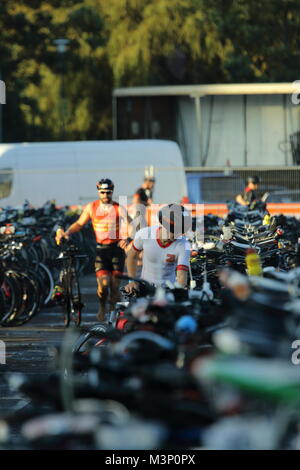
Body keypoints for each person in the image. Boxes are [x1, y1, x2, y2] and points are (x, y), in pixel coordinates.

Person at [55, 178, 133, 321]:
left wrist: (128, 237)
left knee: (115, 287)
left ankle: (112, 314)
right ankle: (102, 306)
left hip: (116, 251)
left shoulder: (118, 208)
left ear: (112, 192)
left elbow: (130, 223)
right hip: (101, 251)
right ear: (98, 192)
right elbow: (79, 223)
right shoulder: (91, 207)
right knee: (103, 286)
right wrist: (66, 233)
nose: (105, 195)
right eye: (102, 192)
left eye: (108, 192)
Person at [124, 204, 192, 293]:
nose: (178, 235)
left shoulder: (184, 244)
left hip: (168, 289)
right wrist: (131, 281)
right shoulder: (145, 234)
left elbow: (182, 274)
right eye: (175, 231)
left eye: (181, 232)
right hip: (145, 286)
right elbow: (131, 257)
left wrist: (179, 293)